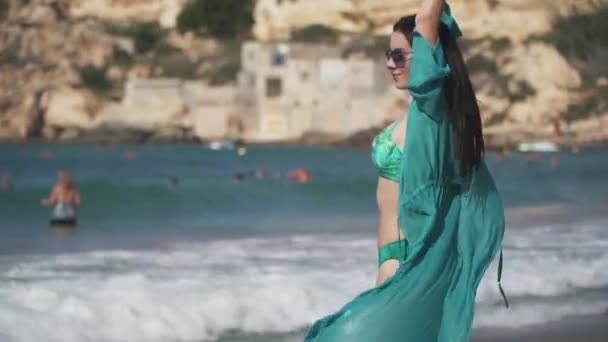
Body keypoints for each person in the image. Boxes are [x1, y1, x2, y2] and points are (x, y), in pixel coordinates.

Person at [304, 1, 507, 341]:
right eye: (388, 54)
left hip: (407, 264)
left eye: (399, 55)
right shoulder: (418, 116)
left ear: (428, 59)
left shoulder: (432, 113)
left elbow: (428, 15)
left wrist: (431, 15)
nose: (389, 63)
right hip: (391, 264)